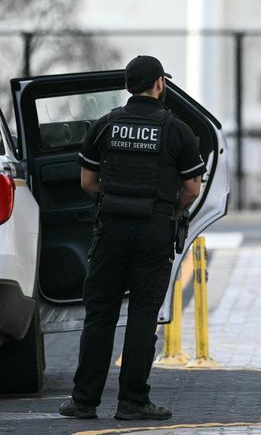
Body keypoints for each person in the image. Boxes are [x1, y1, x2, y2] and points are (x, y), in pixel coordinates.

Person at [59, 55, 206, 421]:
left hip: (110, 229)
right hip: (153, 229)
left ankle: (84, 400)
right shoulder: (176, 129)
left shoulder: (105, 126)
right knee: (142, 315)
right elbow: (191, 188)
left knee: (100, 314)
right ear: (159, 84)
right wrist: (168, 211)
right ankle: (133, 402)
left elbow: (87, 182)